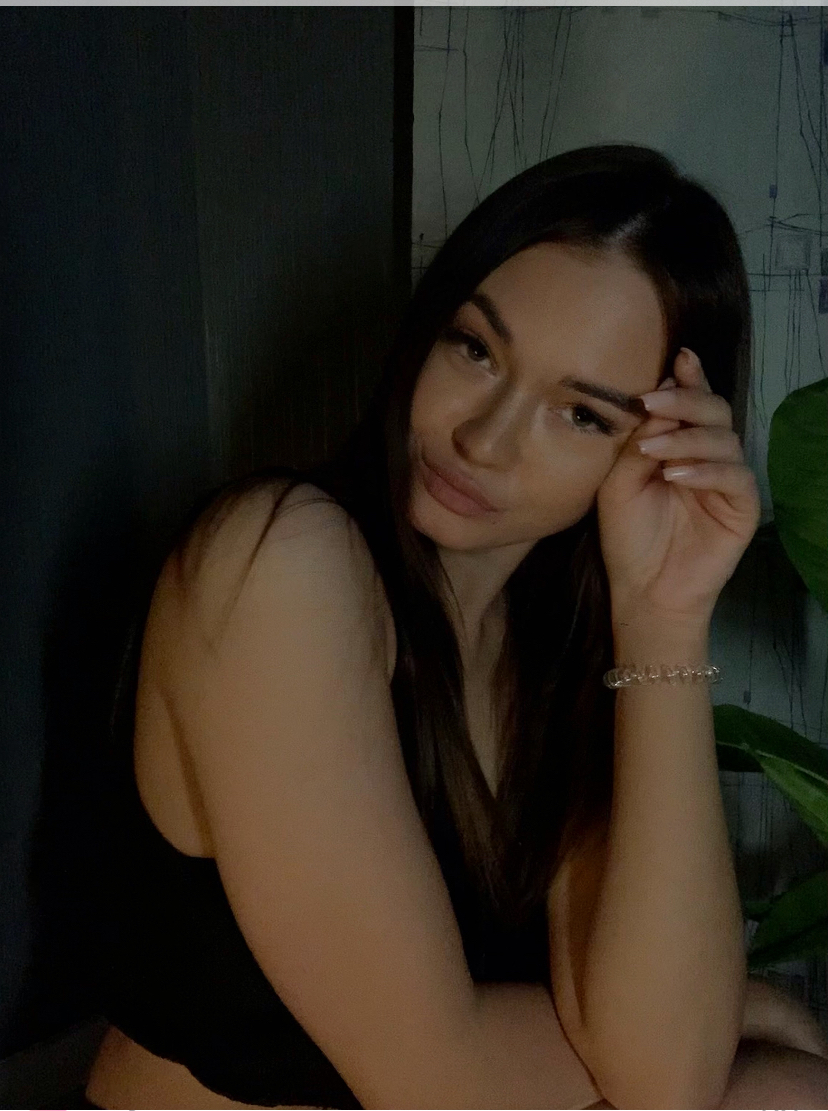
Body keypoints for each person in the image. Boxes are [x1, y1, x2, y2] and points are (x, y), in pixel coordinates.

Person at [81, 144, 828, 1110]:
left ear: (655, 452)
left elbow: (668, 1076)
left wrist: (666, 620)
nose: (486, 439)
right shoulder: (279, 562)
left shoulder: (556, 651)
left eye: (581, 415)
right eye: (476, 349)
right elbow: (437, 1080)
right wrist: (727, 1019)